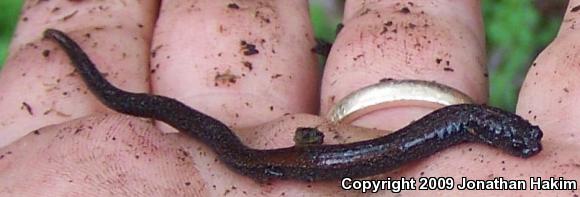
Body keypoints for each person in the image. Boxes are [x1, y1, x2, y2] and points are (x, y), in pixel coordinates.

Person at [0, 0, 578, 196]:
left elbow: (462, 124)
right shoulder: (471, 123)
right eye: (520, 140)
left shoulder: (471, 123)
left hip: (298, 161)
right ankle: (95, 77)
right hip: (278, 167)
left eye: (519, 140)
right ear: (492, 130)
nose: (525, 148)